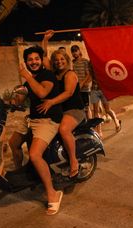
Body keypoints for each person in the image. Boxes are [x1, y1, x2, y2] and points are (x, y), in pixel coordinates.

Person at [8, 45, 63, 216]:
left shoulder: (47, 75)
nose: (33, 62)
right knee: (13, 143)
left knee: (34, 155)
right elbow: (21, 97)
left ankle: (52, 193)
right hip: (32, 118)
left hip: (48, 120)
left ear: (41, 60)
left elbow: (41, 92)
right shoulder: (29, 80)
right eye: (30, 59)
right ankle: (21, 175)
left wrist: (27, 77)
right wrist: (11, 101)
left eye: (36, 59)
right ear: (26, 62)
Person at [37, 50, 86, 182]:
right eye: (56, 60)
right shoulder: (54, 74)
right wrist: (45, 40)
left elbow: (68, 93)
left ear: (67, 60)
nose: (59, 62)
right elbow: (44, 57)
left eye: (62, 59)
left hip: (74, 110)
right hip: (60, 110)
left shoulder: (70, 74)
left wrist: (51, 102)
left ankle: (73, 160)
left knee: (63, 129)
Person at [70, 44, 93, 119]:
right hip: (76, 88)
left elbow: (88, 74)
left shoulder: (85, 61)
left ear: (79, 51)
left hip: (84, 89)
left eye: (76, 51)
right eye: (72, 52)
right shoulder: (72, 62)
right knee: (79, 108)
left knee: (87, 108)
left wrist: (82, 84)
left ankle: (90, 126)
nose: (74, 53)